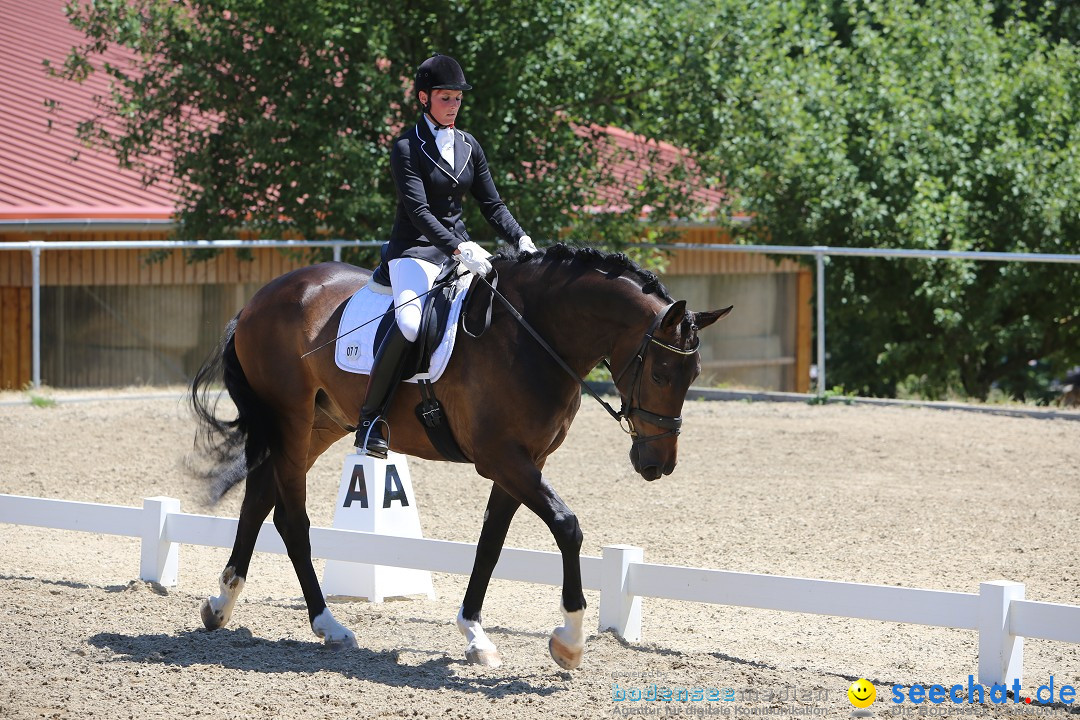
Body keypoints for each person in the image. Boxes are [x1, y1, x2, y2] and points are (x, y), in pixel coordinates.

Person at [356, 53, 537, 458]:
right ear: (424, 98)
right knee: (408, 322)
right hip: (415, 251)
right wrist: (457, 247)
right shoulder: (406, 146)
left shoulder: (469, 144)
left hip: (462, 249)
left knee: (504, 307)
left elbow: (492, 204)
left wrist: (521, 237)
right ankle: (370, 420)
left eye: (457, 98)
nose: (453, 106)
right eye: (445, 98)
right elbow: (418, 212)